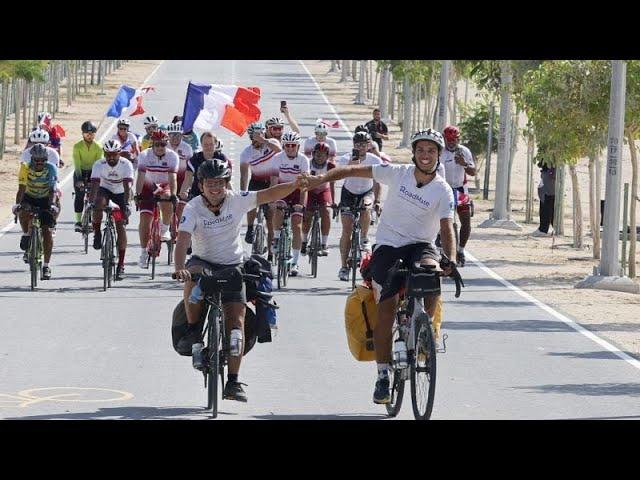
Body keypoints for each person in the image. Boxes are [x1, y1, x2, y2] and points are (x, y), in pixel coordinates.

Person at [302, 128, 456, 405]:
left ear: (439, 155)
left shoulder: (443, 190)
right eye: (421, 150)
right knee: (385, 309)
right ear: (414, 153)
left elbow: (447, 227)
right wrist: (322, 178)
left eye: (431, 151)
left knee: (433, 273)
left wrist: (451, 258)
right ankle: (383, 375)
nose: (425, 155)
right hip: (388, 245)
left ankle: (425, 331)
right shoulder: (397, 173)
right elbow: (351, 170)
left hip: (421, 245)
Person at [173, 158, 308, 402]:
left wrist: (295, 184)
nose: (215, 188)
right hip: (203, 263)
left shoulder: (237, 200)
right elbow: (183, 239)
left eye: (220, 183)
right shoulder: (192, 207)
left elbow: (270, 193)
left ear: (227, 183)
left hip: (233, 265)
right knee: (191, 279)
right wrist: (180, 267)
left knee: (236, 324)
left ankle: (233, 382)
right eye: (210, 183)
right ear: (201, 185)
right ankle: (194, 330)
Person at [335, 131, 382, 281]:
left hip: (366, 192)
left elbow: (377, 182)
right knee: (347, 230)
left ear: (369, 145)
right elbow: (338, 174)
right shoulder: (345, 159)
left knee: (367, 205)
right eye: (358, 145)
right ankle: (343, 267)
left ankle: (364, 237)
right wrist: (351, 164)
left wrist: (378, 201)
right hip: (348, 193)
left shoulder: (375, 159)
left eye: (364, 144)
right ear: (353, 145)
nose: (361, 148)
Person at [88, 139, 134, 280]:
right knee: (98, 203)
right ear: (104, 153)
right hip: (105, 189)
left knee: (121, 226)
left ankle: (121, 264)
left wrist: (125, 205)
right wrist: (92, 202)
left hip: (121, 193)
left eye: (114, 154)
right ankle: (97, 232)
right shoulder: (99, 164)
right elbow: (95, 185)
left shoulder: (126, 164)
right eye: (108, 154)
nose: (111, 157)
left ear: (119, 153)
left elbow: (127, 187)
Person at [13, 144, 59, 280]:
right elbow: (21, 188)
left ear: (46, 159)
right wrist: (18, 205)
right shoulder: (25, 168)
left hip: (45, 197)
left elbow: (53, 190)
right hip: (29, 196)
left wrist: (51, 205)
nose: (39, 163)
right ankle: (27, 234)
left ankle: (46, 266)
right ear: (32, 159)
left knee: (47, 231)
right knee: (23, 211)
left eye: (42, 160)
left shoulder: (51, 168)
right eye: (36, 160)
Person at [135, 130, 179, 268]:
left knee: (167, 198)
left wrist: (174, 195)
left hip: (165, 184)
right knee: (145, 221)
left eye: (163, 144)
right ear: (152, 144)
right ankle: (143, 252)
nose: (160, 147)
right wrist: (137, 194)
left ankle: (164, 228)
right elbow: (141, 176)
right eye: (157, 144)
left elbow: (173, 178)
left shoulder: (172, 156)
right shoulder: (144, 155)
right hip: (149, 185)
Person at [269, 131, 309, 277]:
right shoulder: (277, 158)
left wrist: (301, 205)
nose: (290, 148)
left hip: (298, 190)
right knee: (278, 209)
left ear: (297, 146)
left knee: (297, 225)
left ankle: (295, 262)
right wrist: (273, 200)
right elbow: (273, 181)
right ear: (284, 146)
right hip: (282, 189)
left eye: (293, 145)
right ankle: (277, 237)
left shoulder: (304, 160)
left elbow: (305, 184)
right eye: (287, 146)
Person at [240, 122, 282, 255]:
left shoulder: (272, 142)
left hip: (272, 181)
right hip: (256, 181)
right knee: (250, 202)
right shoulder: (247, 152)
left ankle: (270, 252)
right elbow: (244, 174)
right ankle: (250, 228)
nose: (257, 139)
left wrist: (264, 141)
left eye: (260, 135)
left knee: (270, 217)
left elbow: (280, 151)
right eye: (254, 136)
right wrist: (243, 192)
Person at [441, 125, 476, 267]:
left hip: (461, 190)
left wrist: (464, 163)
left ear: (458, 139)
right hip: (445, 189)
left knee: (466, 222)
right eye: (448, 140)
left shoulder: (464, 151)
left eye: (454, 140)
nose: (451, 142)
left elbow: (473, 172)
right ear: (444, 139)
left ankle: (461, 250)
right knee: (446, 221)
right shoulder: (440, 153)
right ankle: (441, 243)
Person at [301, 142, 335, 257]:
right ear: (313, 154)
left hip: (323, 191)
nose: (319, 156)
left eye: (323, 154)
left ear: (327, 155)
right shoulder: (307, 164)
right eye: (317, 154)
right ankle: (304, 241)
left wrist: (333, 202)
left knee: (326, 212)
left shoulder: (331, 166)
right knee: (307, 214)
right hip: (309, 191)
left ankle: (324, 244)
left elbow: (332, 185)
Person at [179, 132, 232, 202]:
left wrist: (232, 195)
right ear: (201, 145)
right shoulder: (194, 159)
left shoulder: (222, 158)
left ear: (215, 145)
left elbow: (227, 180)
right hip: (197, 194)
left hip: (217, 193)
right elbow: (187, 179)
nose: (208, 147)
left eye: (211, 144)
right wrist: (183, 192)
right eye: (205, 144)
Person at [72, 121, 103, 232]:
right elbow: (77, 164)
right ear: (83, 134)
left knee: (93, 195)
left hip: (92, 172)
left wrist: (92, 180)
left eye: (92, 134)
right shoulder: (77, 146)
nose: (89, 136)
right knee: (79, 195)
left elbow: (97, 164)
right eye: (87, 134)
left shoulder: (98, 147)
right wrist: (79, 180)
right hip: (80, 171)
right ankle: (78, 221)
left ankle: (90, 219)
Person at [166, 122, 194, 220]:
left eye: (178, 135)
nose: (175, 138)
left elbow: (191, 168)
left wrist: (189, 185)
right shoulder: (164, 146)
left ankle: (179, 222)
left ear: (182, 136)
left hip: (183, 179)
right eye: (172, 135)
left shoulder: (187, 148)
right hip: (167, 179)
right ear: (168, 136)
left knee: (181, 203)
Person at [532, 161, 556, 237]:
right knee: (549, 206)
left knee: (547, 207)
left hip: (550, 183)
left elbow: (541, 164)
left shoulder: (552, 155)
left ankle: (543, 229)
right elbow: (540, 164)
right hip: (549, 181)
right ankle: (547, 228)